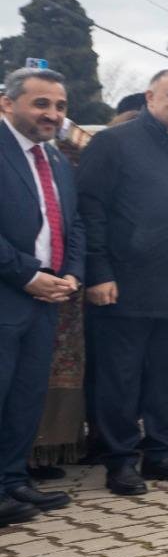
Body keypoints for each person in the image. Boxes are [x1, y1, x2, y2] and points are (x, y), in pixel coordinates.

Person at [78, 69, 168, 495]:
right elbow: (90, 212)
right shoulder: (113, 144)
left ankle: (160, 453)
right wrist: (99, 272)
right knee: (121, 378)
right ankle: (120, 459)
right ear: (150, 97)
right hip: (124, 286)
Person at [0, 68, 83, 521]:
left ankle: (13, 480)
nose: (52, 114)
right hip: (10, 292)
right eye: (41, 103)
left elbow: (74, 225)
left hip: (47, 297)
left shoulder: (52, 160)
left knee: (26, 395)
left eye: (60, 106)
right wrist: (28, 274)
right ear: (7, 104)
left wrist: (71, 273)